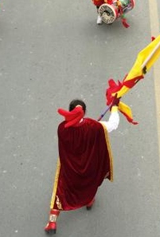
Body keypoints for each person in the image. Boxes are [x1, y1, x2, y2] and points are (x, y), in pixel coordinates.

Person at [44, 98, 120, 234]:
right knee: (88, 185)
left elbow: (75, 132)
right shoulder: (95, 126)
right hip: (88, 167)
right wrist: (114, 107)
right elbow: (113, 124)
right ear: (84, 112)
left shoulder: (62, 128)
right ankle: (88, 201)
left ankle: (52, 222)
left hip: (69, 169)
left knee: (60, 193)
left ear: (69, 111)